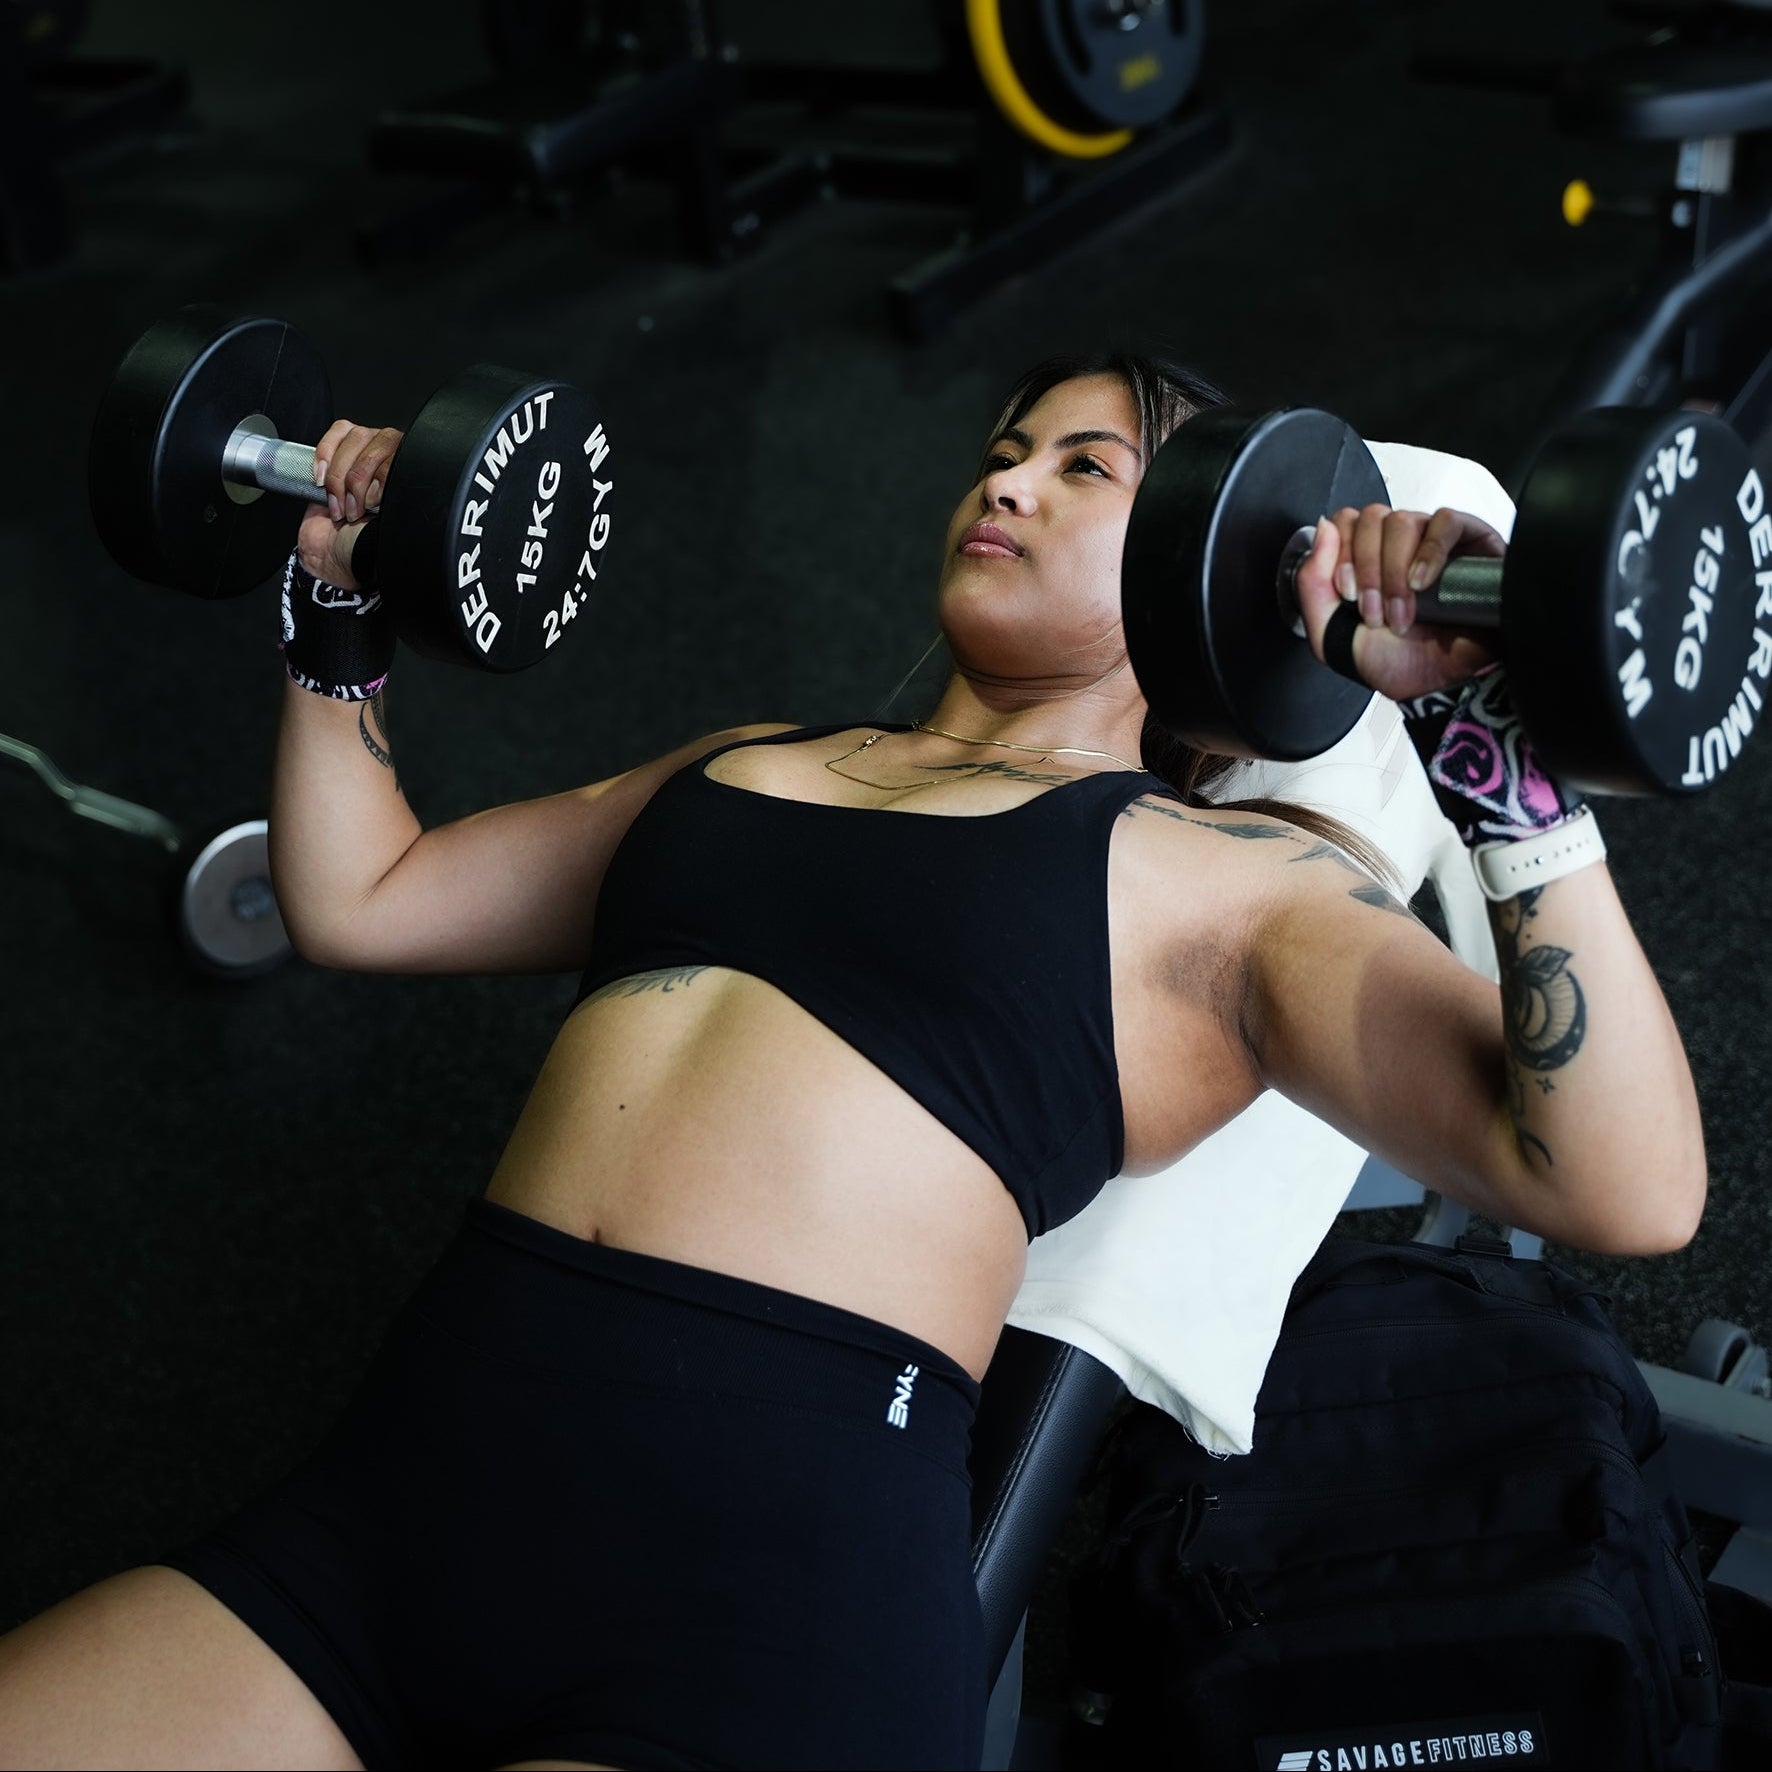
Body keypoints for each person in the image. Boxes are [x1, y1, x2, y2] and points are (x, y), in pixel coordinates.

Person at [0, 353, 1706, 1772]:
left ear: (1211, 543)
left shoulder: (1230, 880)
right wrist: (332, 596)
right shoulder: (756, 759)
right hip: (398, 1511)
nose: (1009, 481)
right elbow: (362, 900)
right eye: (1002, 450)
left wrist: (1507, 783)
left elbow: (1623, 1187)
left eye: (1083, 464)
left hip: (750, 1602)